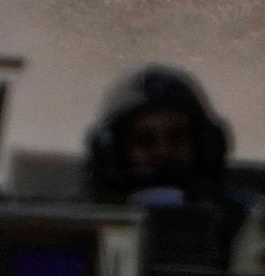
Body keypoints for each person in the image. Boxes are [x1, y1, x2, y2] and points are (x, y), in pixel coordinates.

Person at [80, 63, 234, 200]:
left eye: (176, 138)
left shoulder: (247, 222)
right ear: (113, 152)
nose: (162, 152)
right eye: (145, 141)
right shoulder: (76, 225)